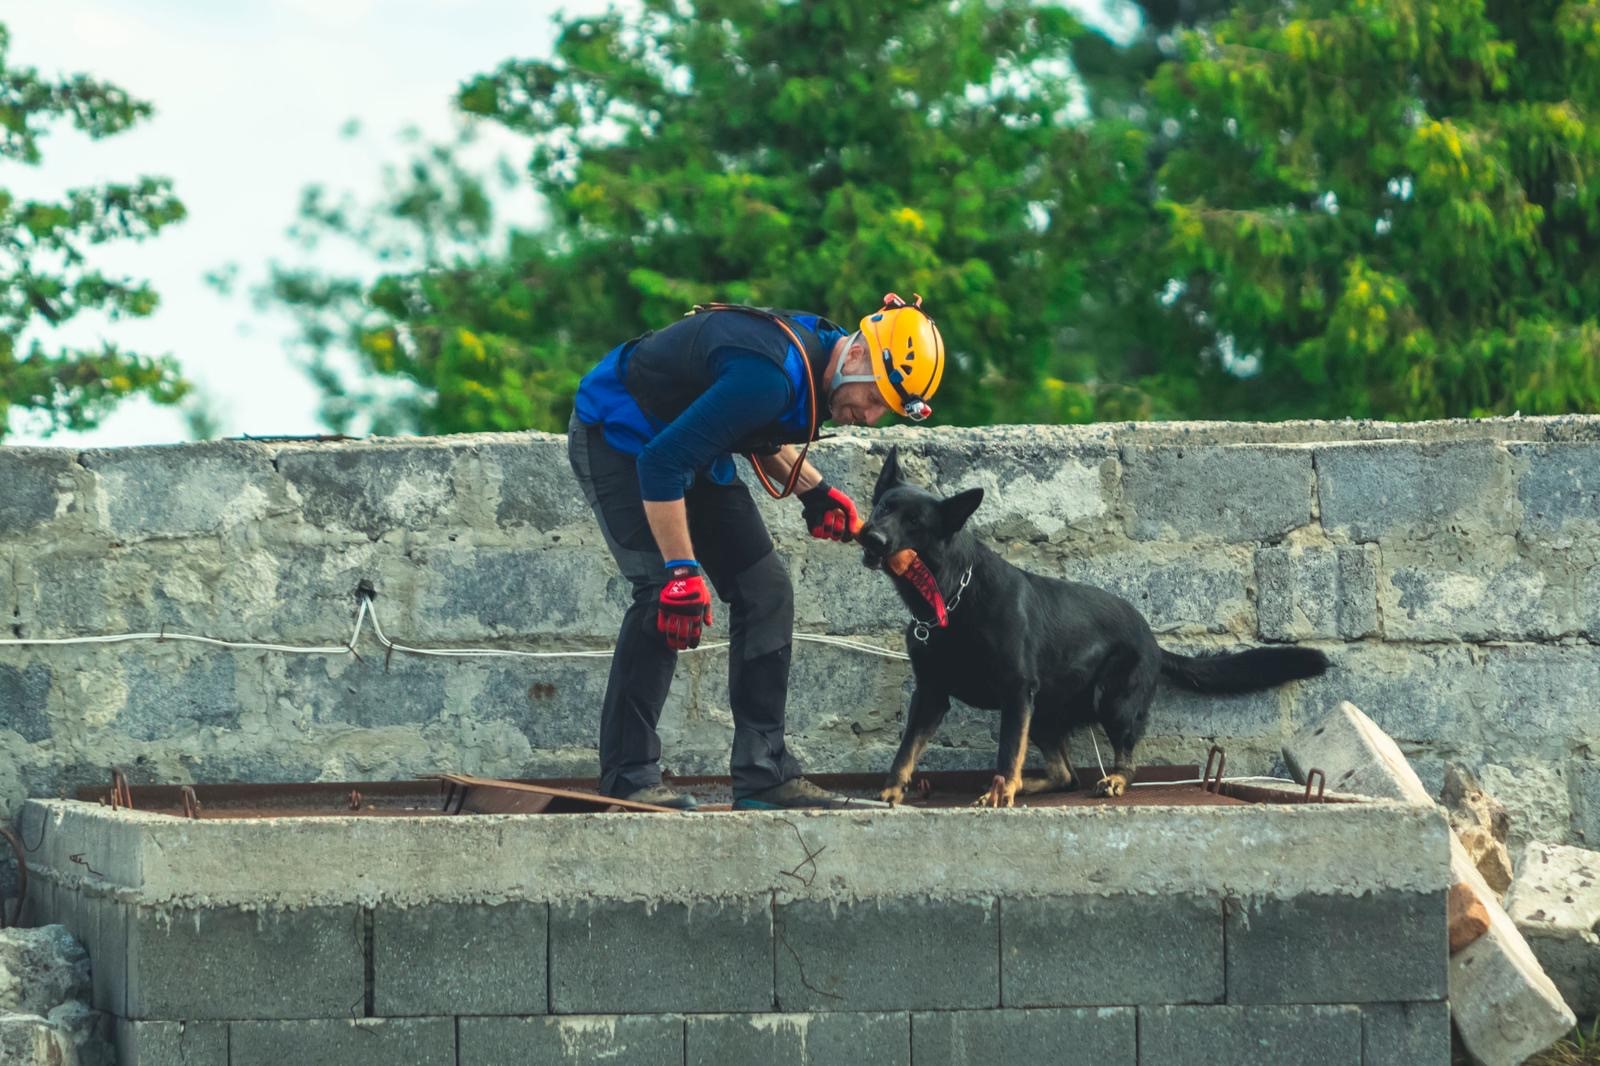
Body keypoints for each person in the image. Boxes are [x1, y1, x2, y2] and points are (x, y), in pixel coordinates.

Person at [565, 293, 946, 810]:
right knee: (662, 597)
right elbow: (660, 465)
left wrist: (814, 488)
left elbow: (753, 430)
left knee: (765, 591)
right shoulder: (772, 374)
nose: (872, 417)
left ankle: (764, 775)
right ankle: (628, 776)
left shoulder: (816, 364)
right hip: (622, 439)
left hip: (687, 447)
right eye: (876, 398)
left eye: (886, 410)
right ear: (857, 356)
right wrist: (682, 570)